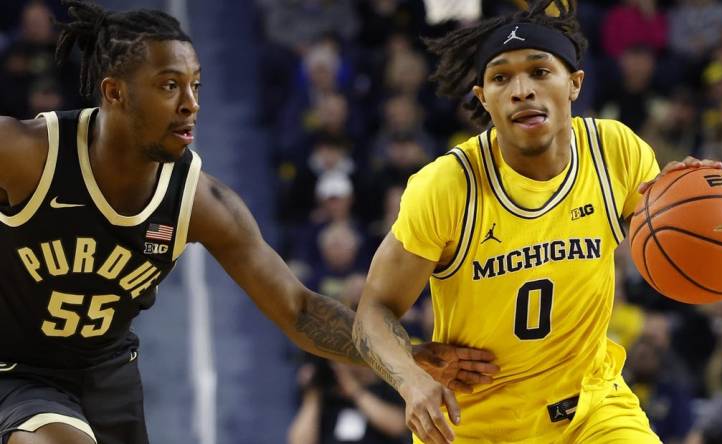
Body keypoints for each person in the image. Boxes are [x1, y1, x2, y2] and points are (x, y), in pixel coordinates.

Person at [0, 2, 499, 444]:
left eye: (195, 85)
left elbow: (299, 311)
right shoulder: (26, 154)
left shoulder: (201, 202)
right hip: (15, 370)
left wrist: (404, 356)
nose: (190, 103)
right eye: (169, 86)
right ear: (114, 93)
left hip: (107, 376)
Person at [352, 1, 722, 443]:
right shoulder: (447, 186)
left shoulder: (615, 151)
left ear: (574, 84)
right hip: (474, 425)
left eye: (540, 72)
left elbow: (668, 234)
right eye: (501, 77)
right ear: (482, 98)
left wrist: (695, 204)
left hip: (592, 409)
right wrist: (410, 380)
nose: (522, 90)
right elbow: (373, 312)